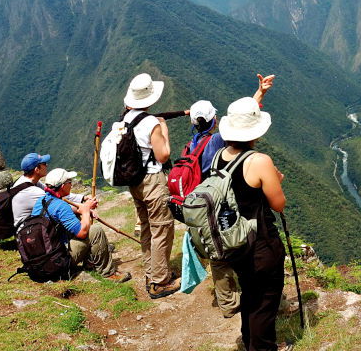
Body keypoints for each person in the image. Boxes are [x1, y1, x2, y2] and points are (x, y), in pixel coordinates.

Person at [185, 74, 275, 318]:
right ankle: (250, 298)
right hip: (223, 204)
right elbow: (243, 126)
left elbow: (240, 121)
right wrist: (259, 96)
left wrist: (260, 94)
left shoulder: (193, 143)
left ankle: (227, 303)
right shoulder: (217, 142)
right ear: (214, 121)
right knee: (232, 249)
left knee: (217, 256)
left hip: (203, 204)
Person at [217, 97, 286, 351]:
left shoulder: (218, 157)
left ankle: (249, 341)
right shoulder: (259, 161)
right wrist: (277, 180)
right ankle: (263, 347)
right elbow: (278, 205)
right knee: (265, 301)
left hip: (234, 243)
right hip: (261, 243)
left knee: (250, 294)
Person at [122, 73, 178, 298]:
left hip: (134, 182)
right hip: (153, 181)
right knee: (162, 228)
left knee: (146, 227)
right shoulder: (151, 123)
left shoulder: (125, 119)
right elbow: (163, 155)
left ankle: (151, 272)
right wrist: (164, 129)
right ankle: (160, 282)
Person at [30, 168, 131, 282]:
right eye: (69, 182)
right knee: (95, 231)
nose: (71, 185)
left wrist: (81, 210)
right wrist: (86, 210)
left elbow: (63, 211)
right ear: (63, 186)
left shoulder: (41, 201)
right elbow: (82, 233)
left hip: (42, 260)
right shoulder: (60, 206)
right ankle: (108, 274)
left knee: (77, 219)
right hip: (57, 263)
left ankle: (90, 262)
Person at [12, 152, 91, 228]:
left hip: (36, 222)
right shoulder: (31, 191)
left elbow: (54, 192)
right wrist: (85, 209)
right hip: (30, 231)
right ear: (37, 170)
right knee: (71, 215)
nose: (47, 165)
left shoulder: (29, 181)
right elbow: (56, 205)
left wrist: (83, 198)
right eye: (44, 164)